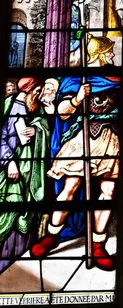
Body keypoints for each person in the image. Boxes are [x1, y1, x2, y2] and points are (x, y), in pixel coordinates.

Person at [30, 37, 120, 271]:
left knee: (108, 191)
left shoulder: (117, 77)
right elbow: (62, 113)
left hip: (110, 138)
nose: (111, 56)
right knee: (71, 186)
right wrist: (78, 98)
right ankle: (52, 236)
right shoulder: (75, 78)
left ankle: (98, 245)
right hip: (81, 139)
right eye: (109, 52)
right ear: (99, 53)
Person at [0, 78, 50, 274]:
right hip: (10, 173)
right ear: (28, 90)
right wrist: (9, 160)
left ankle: (15, 260)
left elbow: (46, 128)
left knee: (26, 218)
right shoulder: (9, 105)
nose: (39, 94)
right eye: (37, 90)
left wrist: (37, 130)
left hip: (32, 175)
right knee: (8, 215)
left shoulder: (36, 108)